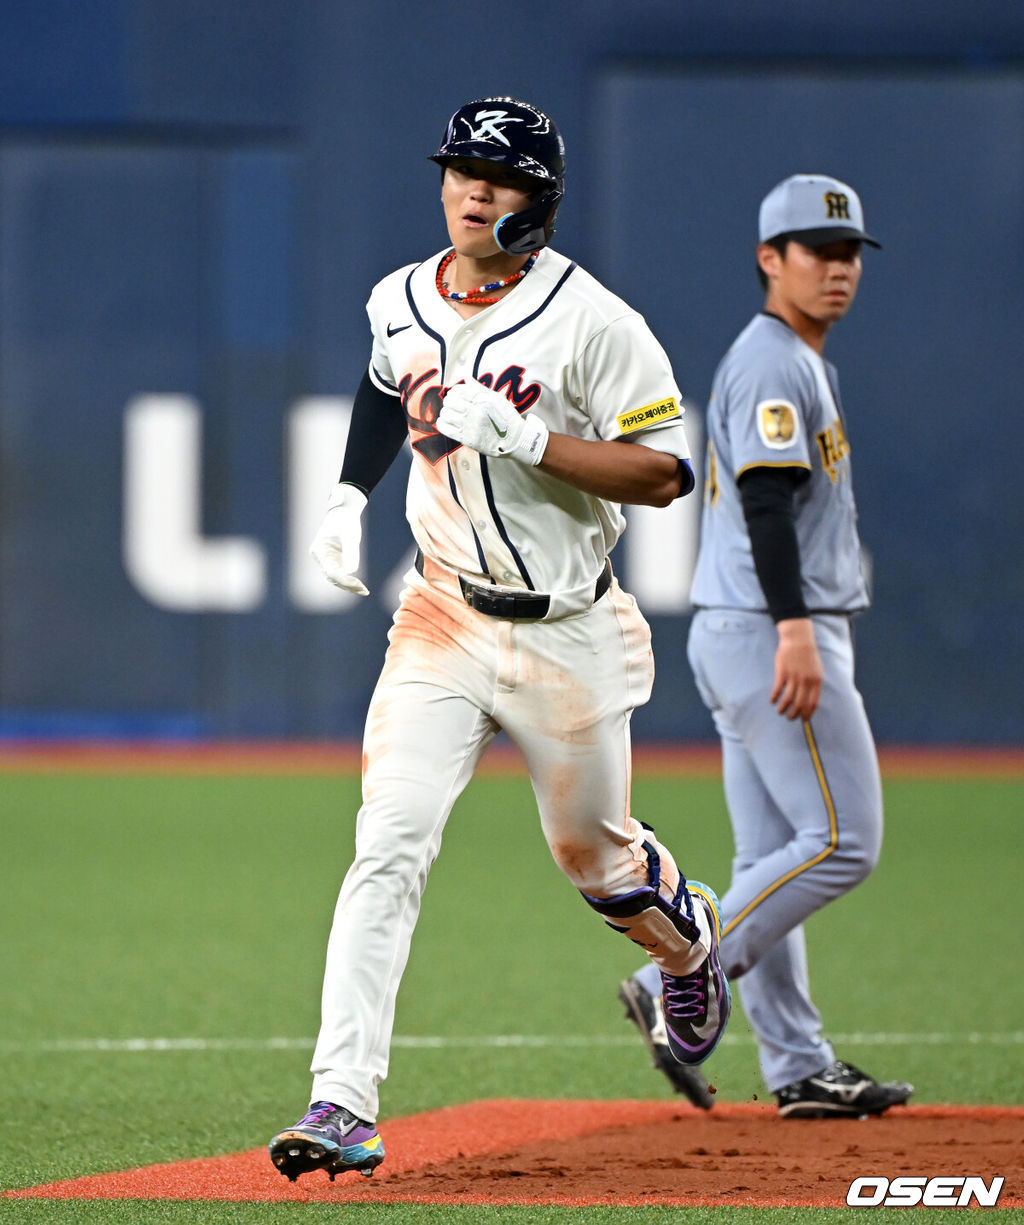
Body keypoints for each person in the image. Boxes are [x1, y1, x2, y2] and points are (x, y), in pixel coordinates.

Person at [267, 96, 730, 1183]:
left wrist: (530, 439)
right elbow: (388, 385)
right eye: (461, 168)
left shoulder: (592, 321)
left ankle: (687, 944)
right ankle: (342, 1101)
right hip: (439, 613)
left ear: (541, 200)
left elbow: (666, 471)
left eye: (501, 175)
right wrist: (346, 495)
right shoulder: (400, 295)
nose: (474, 189)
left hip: (568, 628)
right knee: (387, 842)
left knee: (597, 861)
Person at [619, 174, 913, 1118]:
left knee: (775, 851)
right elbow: (766, 500)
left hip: (744, 627)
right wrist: (796, 628)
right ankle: (686, 968)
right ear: (768, 259)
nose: (836, 268)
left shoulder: (791, 356)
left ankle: (796, 1067)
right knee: (842, 841)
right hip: (773, 629)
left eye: (848, 254)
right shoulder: (773, 359)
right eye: (815, 251)